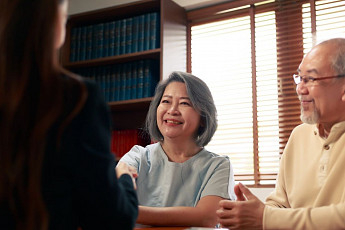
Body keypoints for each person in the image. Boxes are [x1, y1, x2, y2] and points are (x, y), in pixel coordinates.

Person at [0, 0, 138, 230]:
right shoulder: (77, 98)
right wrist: (124, 178)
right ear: (54, 22)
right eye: (65, 15)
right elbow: (113, 219)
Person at [216, 37, 345, 230]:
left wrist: (265, 218)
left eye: (310, 79)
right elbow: (279, 205)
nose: (300, 89)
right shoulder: (299, 135)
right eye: (299, 78)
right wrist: (251, 216)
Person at [118, 71, 236, 227]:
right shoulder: (137, 156)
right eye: (166, 101)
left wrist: (129, 211)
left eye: (184, 103)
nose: (172, 110)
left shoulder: (219, 166)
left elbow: (207, 218)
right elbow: (112, 202)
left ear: (203, 117)